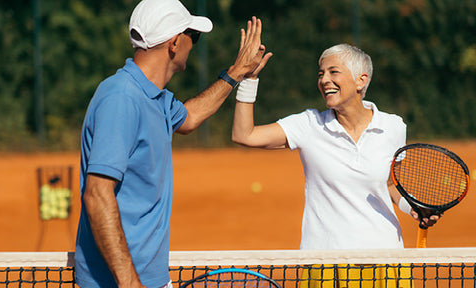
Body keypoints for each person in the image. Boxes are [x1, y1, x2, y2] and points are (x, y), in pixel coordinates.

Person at [74, 0, 272, 286]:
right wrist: (130, 282)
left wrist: (237, 72)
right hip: (118, 282)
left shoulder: (156, 98)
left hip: (148, 278)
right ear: (175, 43)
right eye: (193, 37)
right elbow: (97, 195)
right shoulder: (121, 98)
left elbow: (189, 118)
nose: (194, 44)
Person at [232, 43, 441, 287]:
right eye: (321, 74)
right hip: (324, 262)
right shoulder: (309, 125)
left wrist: (411, 207)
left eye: (333, 72)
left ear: (361, 80)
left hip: (385, 259)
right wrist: (249, 79)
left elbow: (389, 183)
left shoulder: (393, 127)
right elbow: (243, 135)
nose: (324, 80)